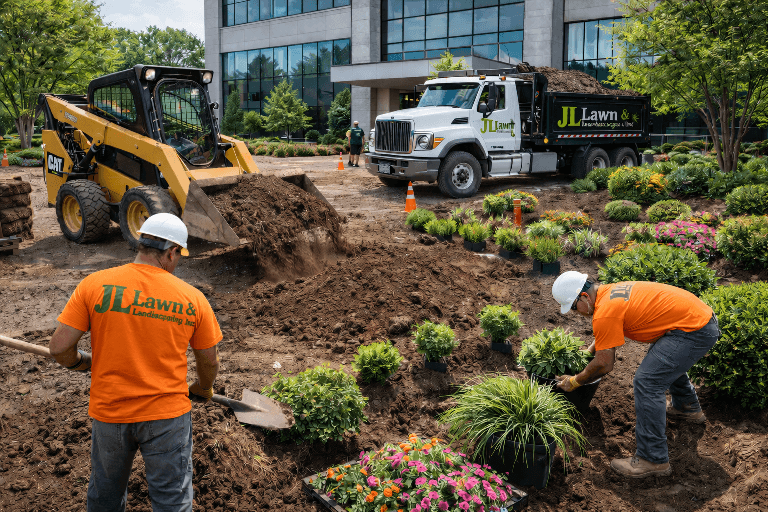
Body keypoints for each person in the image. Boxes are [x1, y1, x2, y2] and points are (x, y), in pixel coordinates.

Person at [49, 213, 222, 511]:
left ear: (141, 244)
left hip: (110, 412)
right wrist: (203, 389)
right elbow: (209, 361)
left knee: (105, 494)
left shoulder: (95, 285)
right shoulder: (192, 298)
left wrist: (80, 363)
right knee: (172, 500)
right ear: (171, 252)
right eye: (178, 256)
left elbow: (59, 348)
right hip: (167, 416)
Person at [551, 272, 720, 478]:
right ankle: (686, 407)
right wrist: (589, 352)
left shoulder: (605, 311)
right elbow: (611, 327)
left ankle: (652, 459)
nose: (576, 313)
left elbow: (605, 364)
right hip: (697, 319)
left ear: (584, 298)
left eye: (574, 307)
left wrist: (575, 381)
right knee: (662, 363)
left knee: (647, 382)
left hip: (693, 330)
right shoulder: (609, 292)